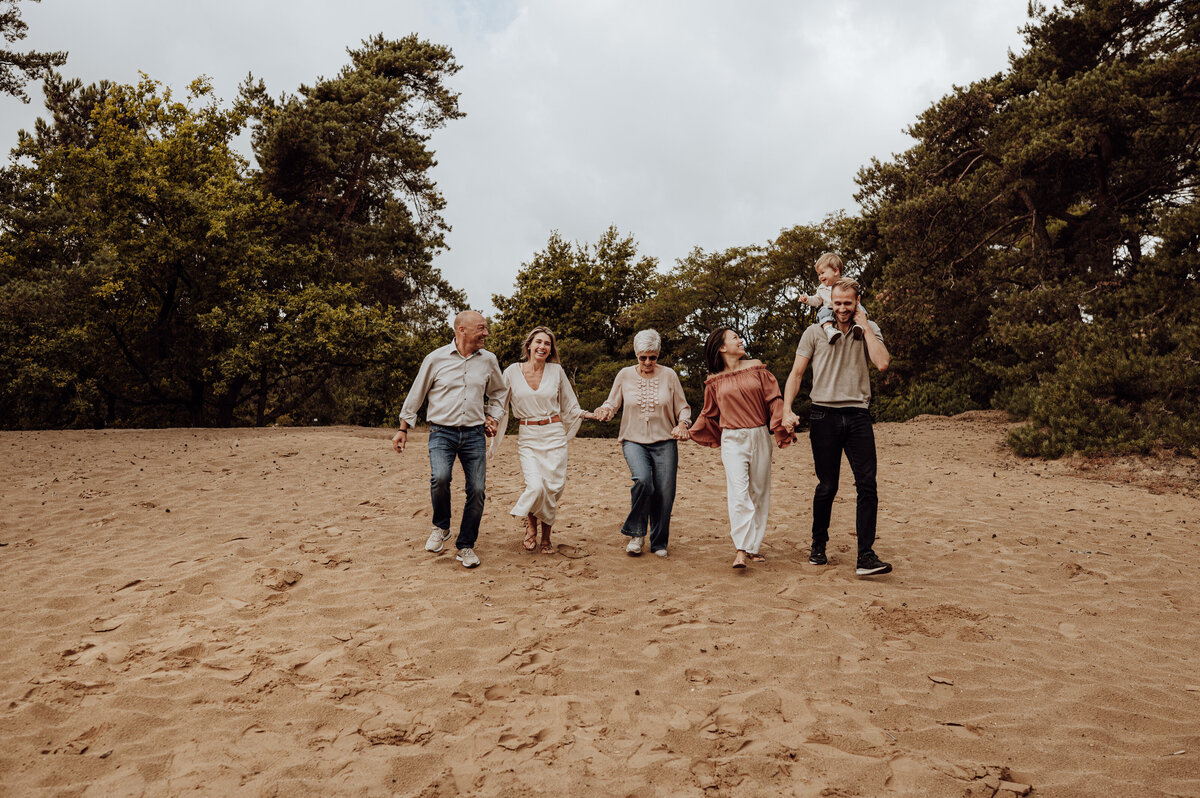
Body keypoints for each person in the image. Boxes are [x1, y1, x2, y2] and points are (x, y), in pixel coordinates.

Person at [782, 277, 893, 576]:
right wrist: (786, 409)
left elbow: (882, 363)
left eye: (848, 303)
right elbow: (796, 374)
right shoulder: (814, 332)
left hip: (858, 415)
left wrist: (866, 326)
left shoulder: (867, 330)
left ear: (857, 302)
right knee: (828, 486)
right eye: (837, 303)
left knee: (867, 485)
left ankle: (865, 556)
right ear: (830, 301)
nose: (842, 308)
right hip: (823, 416)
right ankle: (818, 546)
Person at [391, 310, 508, 569]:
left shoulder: (488, 360)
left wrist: (494, 417)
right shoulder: (435, 358)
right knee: (440, 478)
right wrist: (403, 429)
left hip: (475, 433)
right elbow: (416, 394)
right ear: (461, 330)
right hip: (441, 432)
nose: (486, 333)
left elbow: (499, 392)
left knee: (477, 490)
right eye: (481, 328)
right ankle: (441, 527)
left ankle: (465, 545)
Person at [688, 328, 793, 568]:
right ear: (722, 347)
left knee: (759, 492)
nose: (740, 340)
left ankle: (754, 546)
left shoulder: (757, 367)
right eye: (734, 337)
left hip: (759, 435)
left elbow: (774, 399)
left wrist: (782, 423)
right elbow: (708, 413)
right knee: (738, 493)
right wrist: (690, 431)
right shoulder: (714, 380)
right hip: (732, 439)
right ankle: (741, 550)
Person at [491, 326, 593, 554]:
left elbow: (570, 404)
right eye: (538, 342)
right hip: (528, 436)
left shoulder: (556, 371)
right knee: (535, 486)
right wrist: (492, 422)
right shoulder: (511, 372)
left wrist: (588, 414)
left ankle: (546, 536)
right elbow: (500, 404)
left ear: (551, 349)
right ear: (529, 345)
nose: (542, 347)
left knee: (552, 488)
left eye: (547, 344)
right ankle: (530, 528)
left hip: (554, 434)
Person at [594, 329, 692, 558]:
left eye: (653, 357)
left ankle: (659, 542)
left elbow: (683, 407)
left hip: (665, 441)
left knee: (665, 493)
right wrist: (605, 410)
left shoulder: (669, 375)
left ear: (658, 355)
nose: (648, 362)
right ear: (636, 354)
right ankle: (637, 534)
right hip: (633, 440)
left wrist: (683, 424)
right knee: (643, 481)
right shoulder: (624, 375)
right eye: (643, 357)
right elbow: (612, 403)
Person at [798, 252, 869, 344]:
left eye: (822, 273)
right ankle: (829, 330)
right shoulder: (821, 288)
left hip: (846, 310)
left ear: (836, 271)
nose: (820, 277)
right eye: (819, 274)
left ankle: (859, 326)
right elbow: (817, 300)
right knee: (823, 312)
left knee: (859, 308)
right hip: (830, 310)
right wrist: (807, 299)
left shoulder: (845, 284)